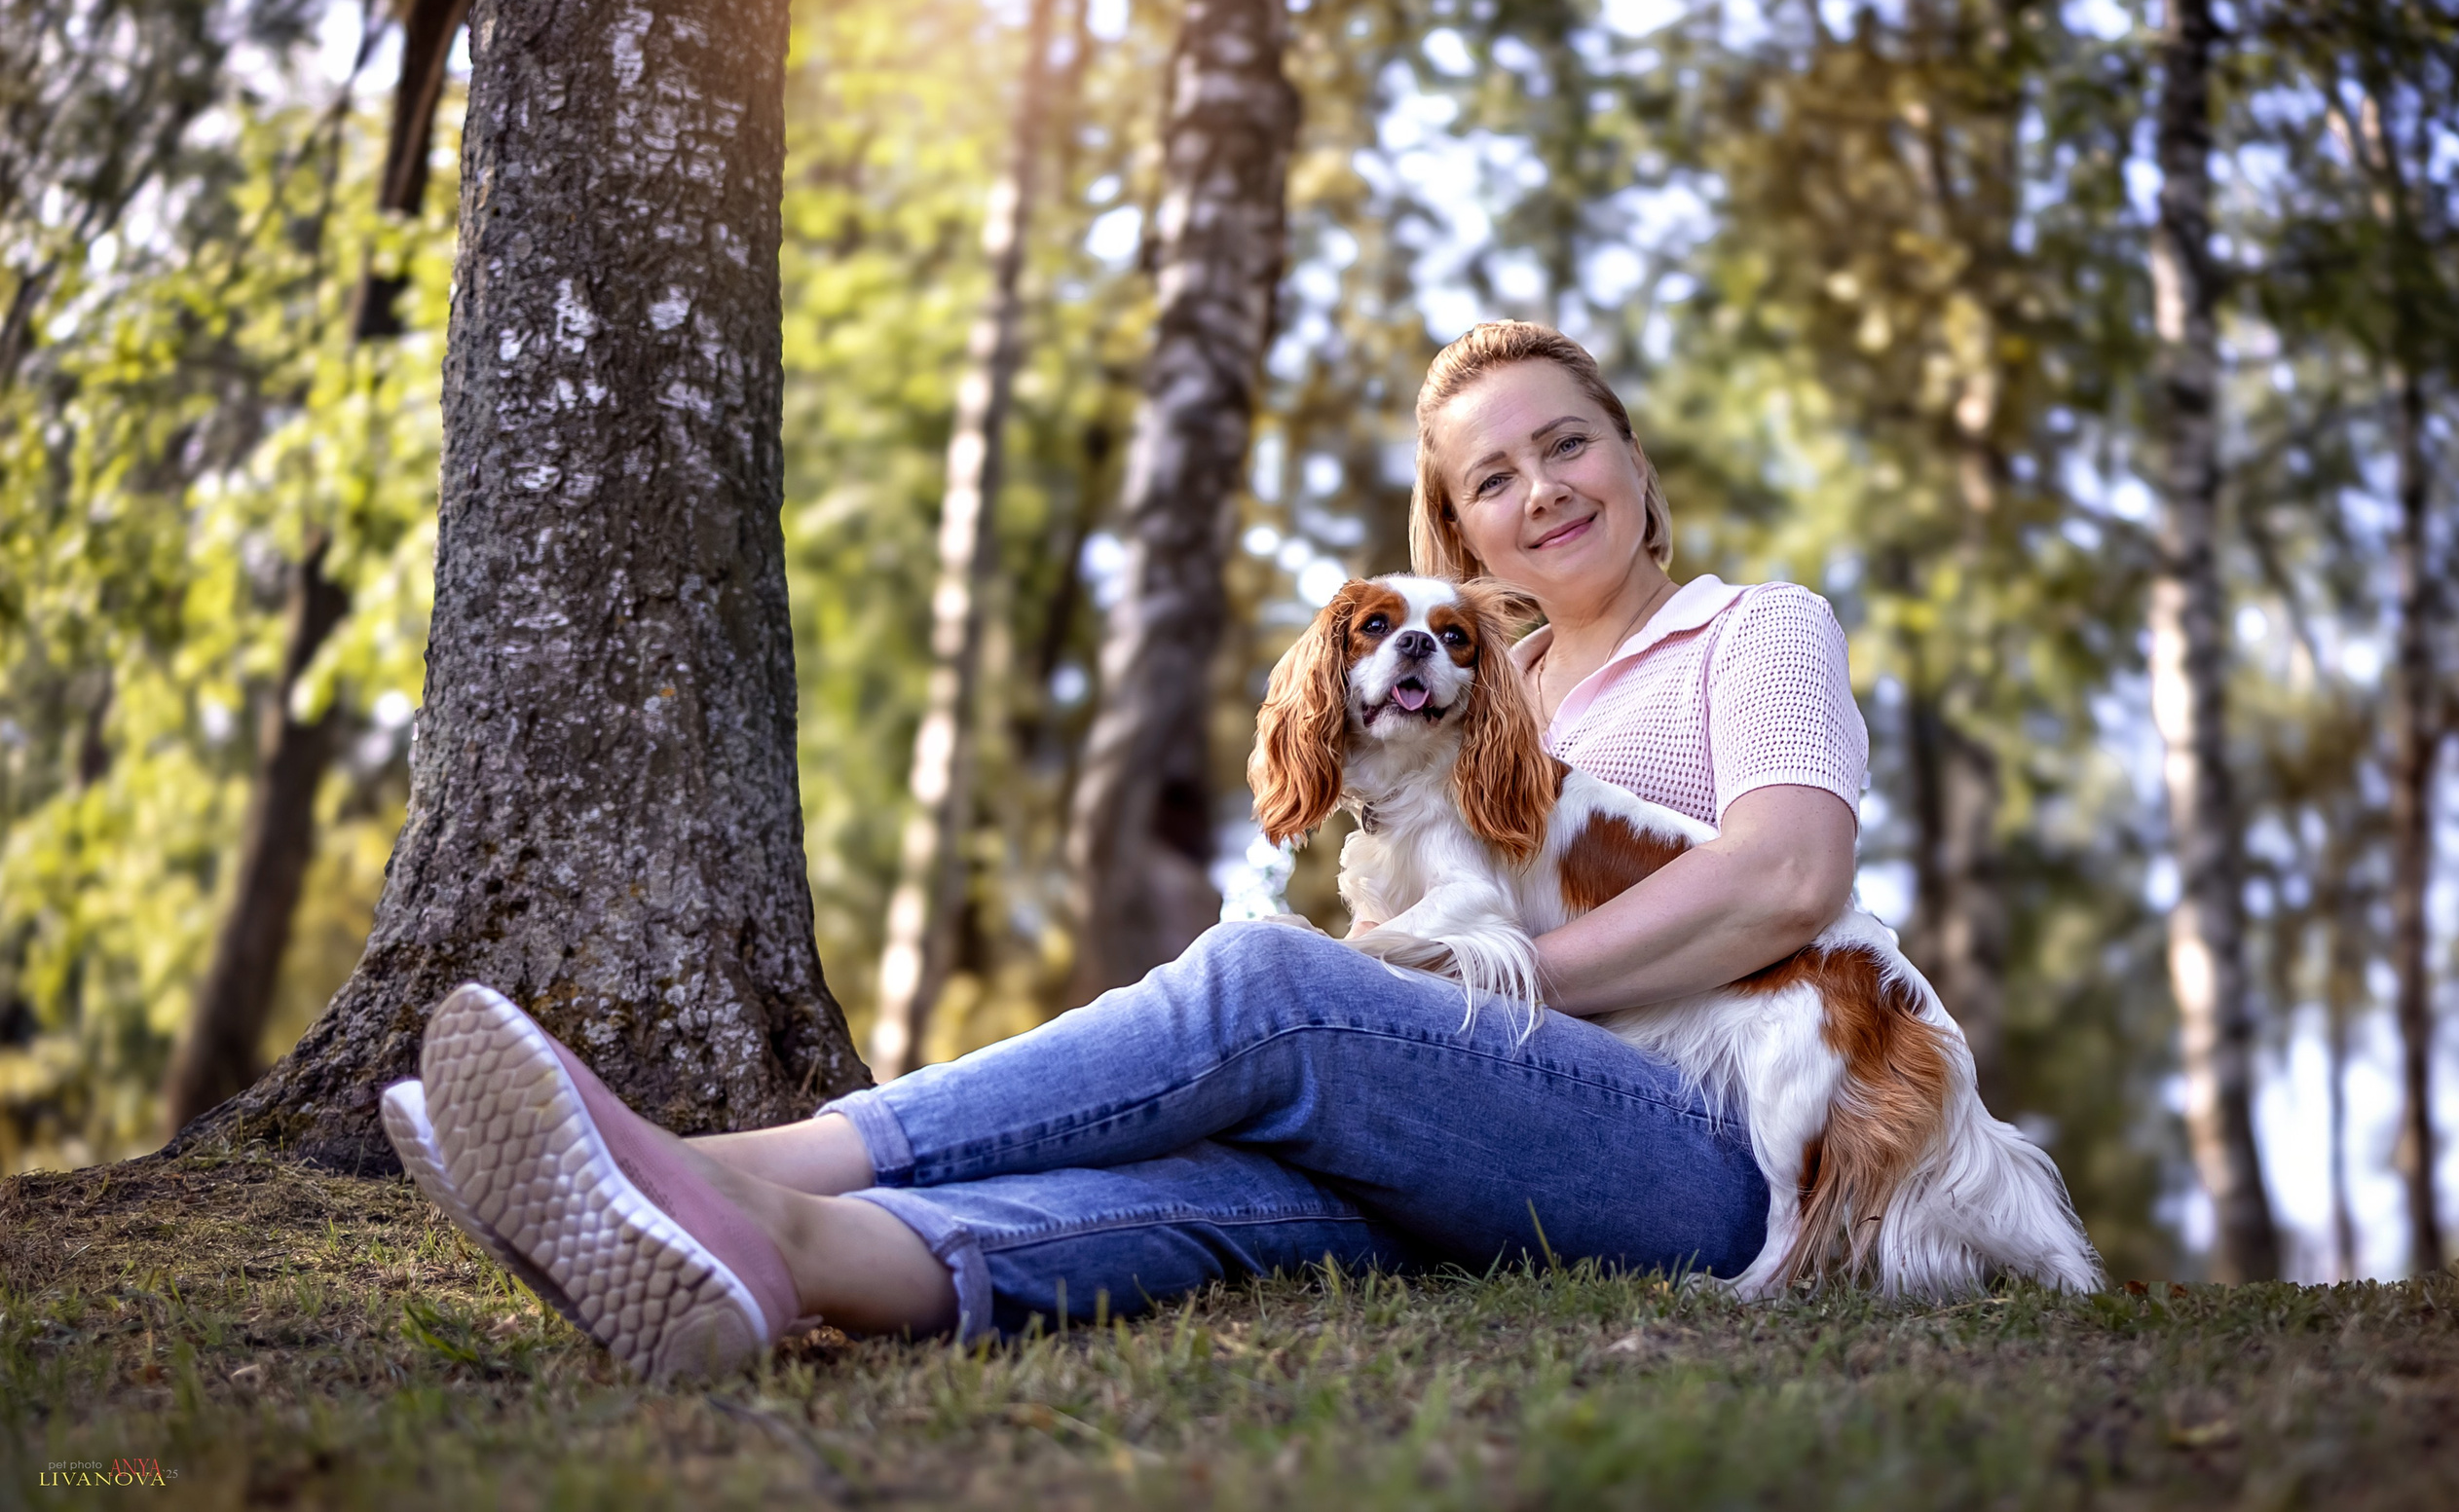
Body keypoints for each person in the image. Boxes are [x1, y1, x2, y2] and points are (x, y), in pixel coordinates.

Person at [392, 320, 1870, 1362]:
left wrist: (1447, 1002)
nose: (1541, 489)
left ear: (1633, 457)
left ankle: (719, 1159)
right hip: (1510, 1147)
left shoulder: (1748, 630)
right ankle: (778, 1254)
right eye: (1493, 477)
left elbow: (1792, 874)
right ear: (1457, 532)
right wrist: (1418, 1032)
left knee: (1269, 986)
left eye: (1569, 445)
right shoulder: (1459, 698)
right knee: (1245, 1195)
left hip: (1726, 1159)